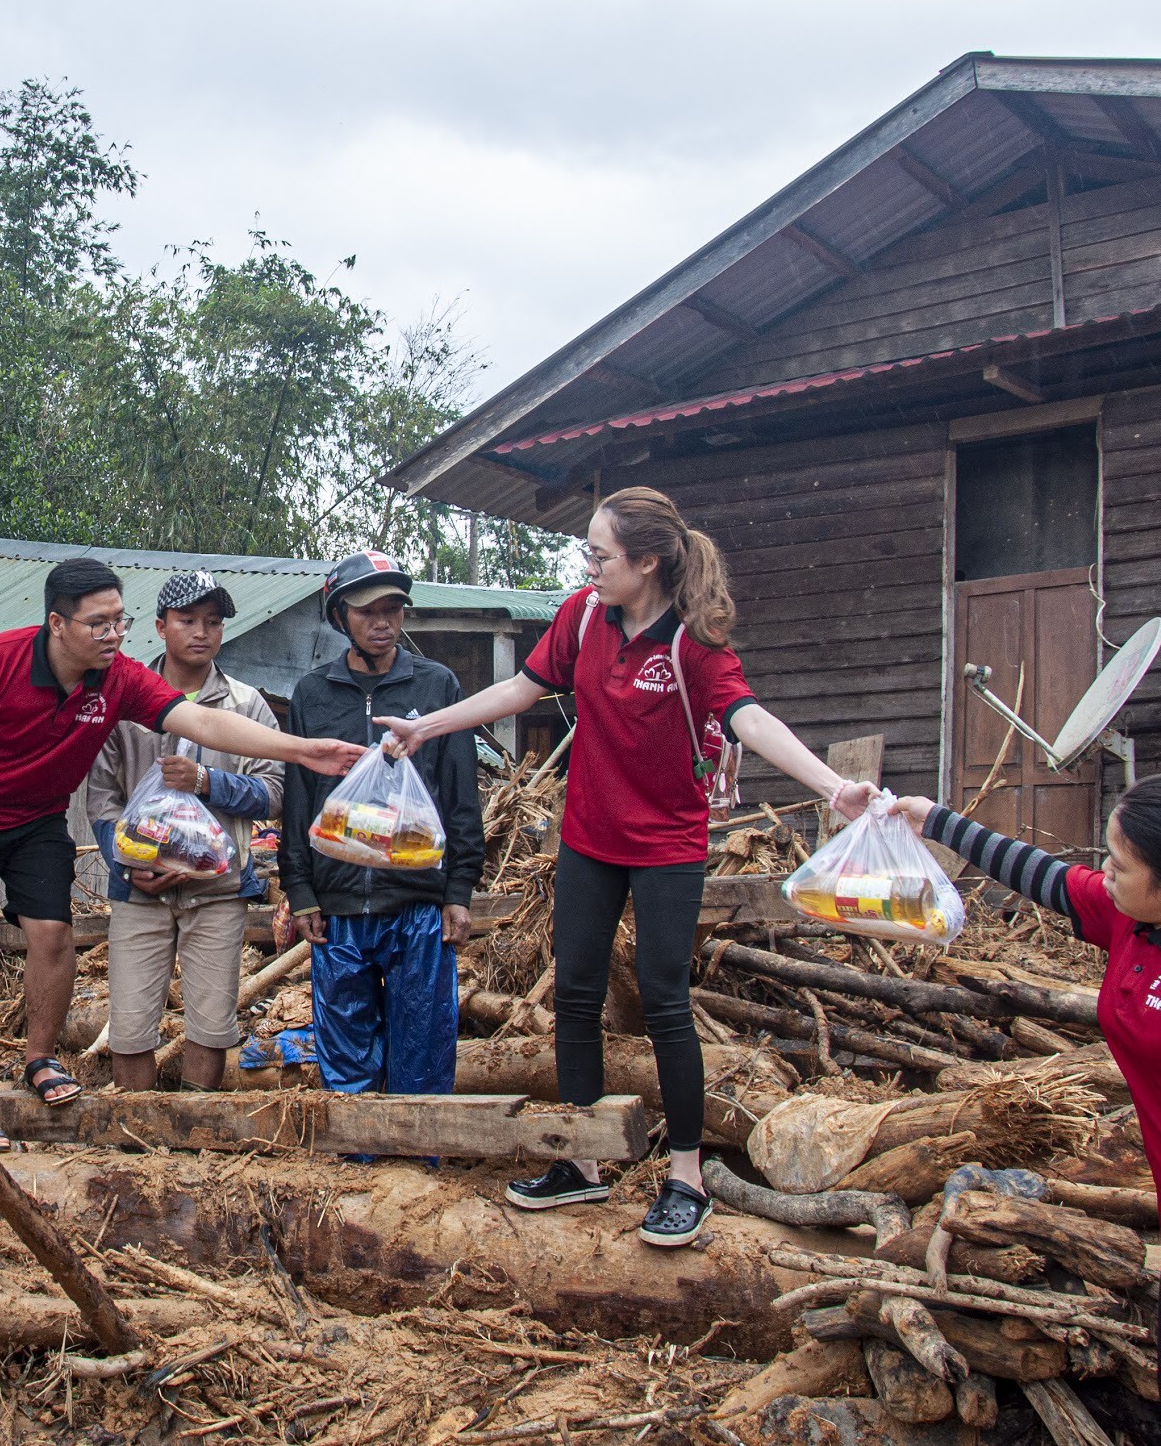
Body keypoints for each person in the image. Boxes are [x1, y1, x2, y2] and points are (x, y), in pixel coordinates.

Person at [382, 490, 879, 1245]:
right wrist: (427, 727)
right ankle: (582, 1161)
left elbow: (749, 717)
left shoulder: (693, 643)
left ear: (646, 562)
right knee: (576, 993)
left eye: (600, 555)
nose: (589, 566)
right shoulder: (583, 617)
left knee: (663, 998)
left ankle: (684, 1177)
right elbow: (524, 687)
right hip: (589, 838)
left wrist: (832, 787)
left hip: (667, 847)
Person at [891, 775, 1161, 1446]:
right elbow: (1050, 879)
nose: (1104, 872)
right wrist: (935, 821)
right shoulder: (1136, 918)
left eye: (1119, 864)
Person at [0, 557, 365, 1151]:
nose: (112, 634)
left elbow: (203, 723)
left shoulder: (120, 678)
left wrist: (302, 750)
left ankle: (40, 1059)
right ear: (57, 623)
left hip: (39, 821)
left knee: (50, 933)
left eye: (119, 622)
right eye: (99, 623)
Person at [278, 552, 485, 1109]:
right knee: (345, 1050)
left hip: (418, 904)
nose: (383, 621)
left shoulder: (437, 686)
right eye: (368, 610)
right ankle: (359, 1168)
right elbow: (299, 803)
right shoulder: (313, 694)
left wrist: (459, 891)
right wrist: (300, 891)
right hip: (339, 905)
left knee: (422, 1045)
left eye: (393, 608)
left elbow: (461, 794)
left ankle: (419, 1168)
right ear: (340, 615)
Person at [85, 571, 284, 1091]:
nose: (202, 632)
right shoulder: (122, 703)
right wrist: (132, 863)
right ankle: (138, 1135)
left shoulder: (246, 705)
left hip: (218, 890)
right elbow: (102, 799)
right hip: (138, 890)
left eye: (213, 622)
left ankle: (196, 1131)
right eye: (188, 620)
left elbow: (276, 792)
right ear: (159, 625)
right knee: (129, 1025)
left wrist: (209, 783)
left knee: (213, 1023)